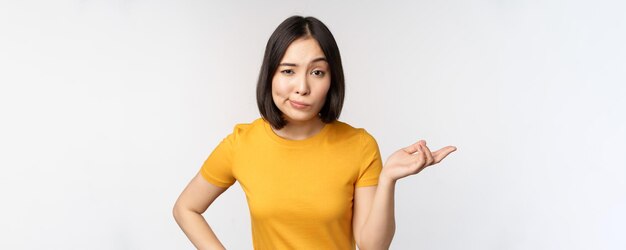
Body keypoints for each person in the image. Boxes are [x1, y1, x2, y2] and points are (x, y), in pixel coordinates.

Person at [173, 15, 457, 250]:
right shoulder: (242, 143)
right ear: (270, 74)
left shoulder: (359, 145)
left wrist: (388, 180)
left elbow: (372, 246)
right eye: (288, 71)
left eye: (317, 72)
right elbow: (186, 208)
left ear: (332, 80)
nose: (302, 87)